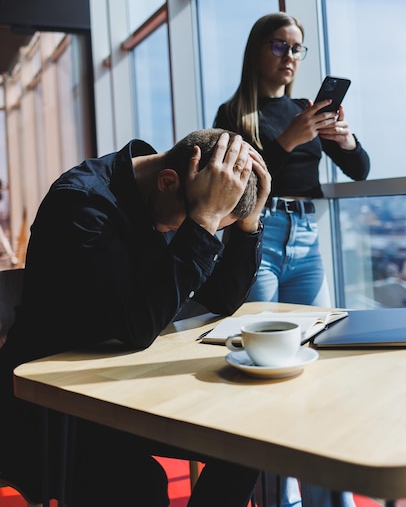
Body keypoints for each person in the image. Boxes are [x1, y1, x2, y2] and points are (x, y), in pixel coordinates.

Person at [0, 128, 271, 507]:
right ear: (167, 181)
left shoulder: (167, 196)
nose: (187, 232)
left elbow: (222, 298)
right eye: (190, 223)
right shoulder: (81, 205)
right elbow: (136, 327)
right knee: (138, 485)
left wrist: (247, 224)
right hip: (51, 408)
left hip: (125, 388)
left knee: (251, 444)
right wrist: (203, 220)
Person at [213, 12, 370, 507]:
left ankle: (328, 496)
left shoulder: (307, 109)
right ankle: (280, 496)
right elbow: (246, 186)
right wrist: (289, 140)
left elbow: (361, 170)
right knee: (262, 364)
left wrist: (344, 141)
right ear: (257, 50)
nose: (289, 58)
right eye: (279, 46)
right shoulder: (234, 114)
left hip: (306, 237)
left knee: (315, 357)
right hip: (258, 235)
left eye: (297, 49)